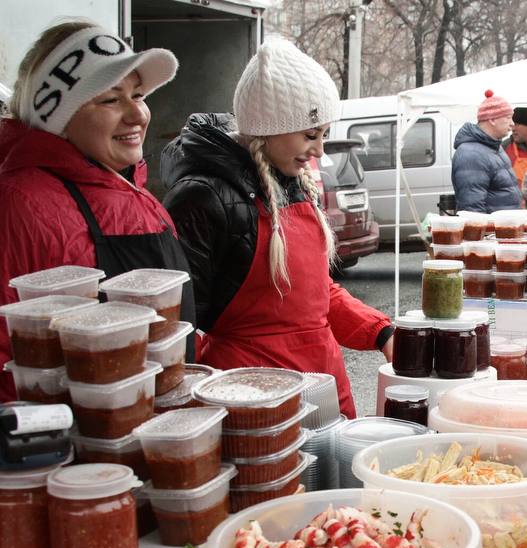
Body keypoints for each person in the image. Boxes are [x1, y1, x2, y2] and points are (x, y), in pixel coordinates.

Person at [0, 21, 189, 405]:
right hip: (62, 456)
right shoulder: (8, 209)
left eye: (138, 95)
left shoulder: (141, 199)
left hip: (155, 445)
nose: (137, 115)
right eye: (110, 99)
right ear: (57, 116)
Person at [159, 38, 394, 419]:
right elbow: (178, 325)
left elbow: (316, 293)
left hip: (322, 385)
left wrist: (381, 332)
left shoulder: (296, 182)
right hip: (251, 397)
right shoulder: (204, 198)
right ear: (267, 129)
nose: (319, 150)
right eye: (309, 134)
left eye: (323, 134)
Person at [452, 90, 522, 213]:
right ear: (492, 119)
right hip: (492, 231)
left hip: (503, 229)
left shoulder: (495, 147)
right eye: (508, 118)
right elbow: (472, 210)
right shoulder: (471, 154)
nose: (512, 124)